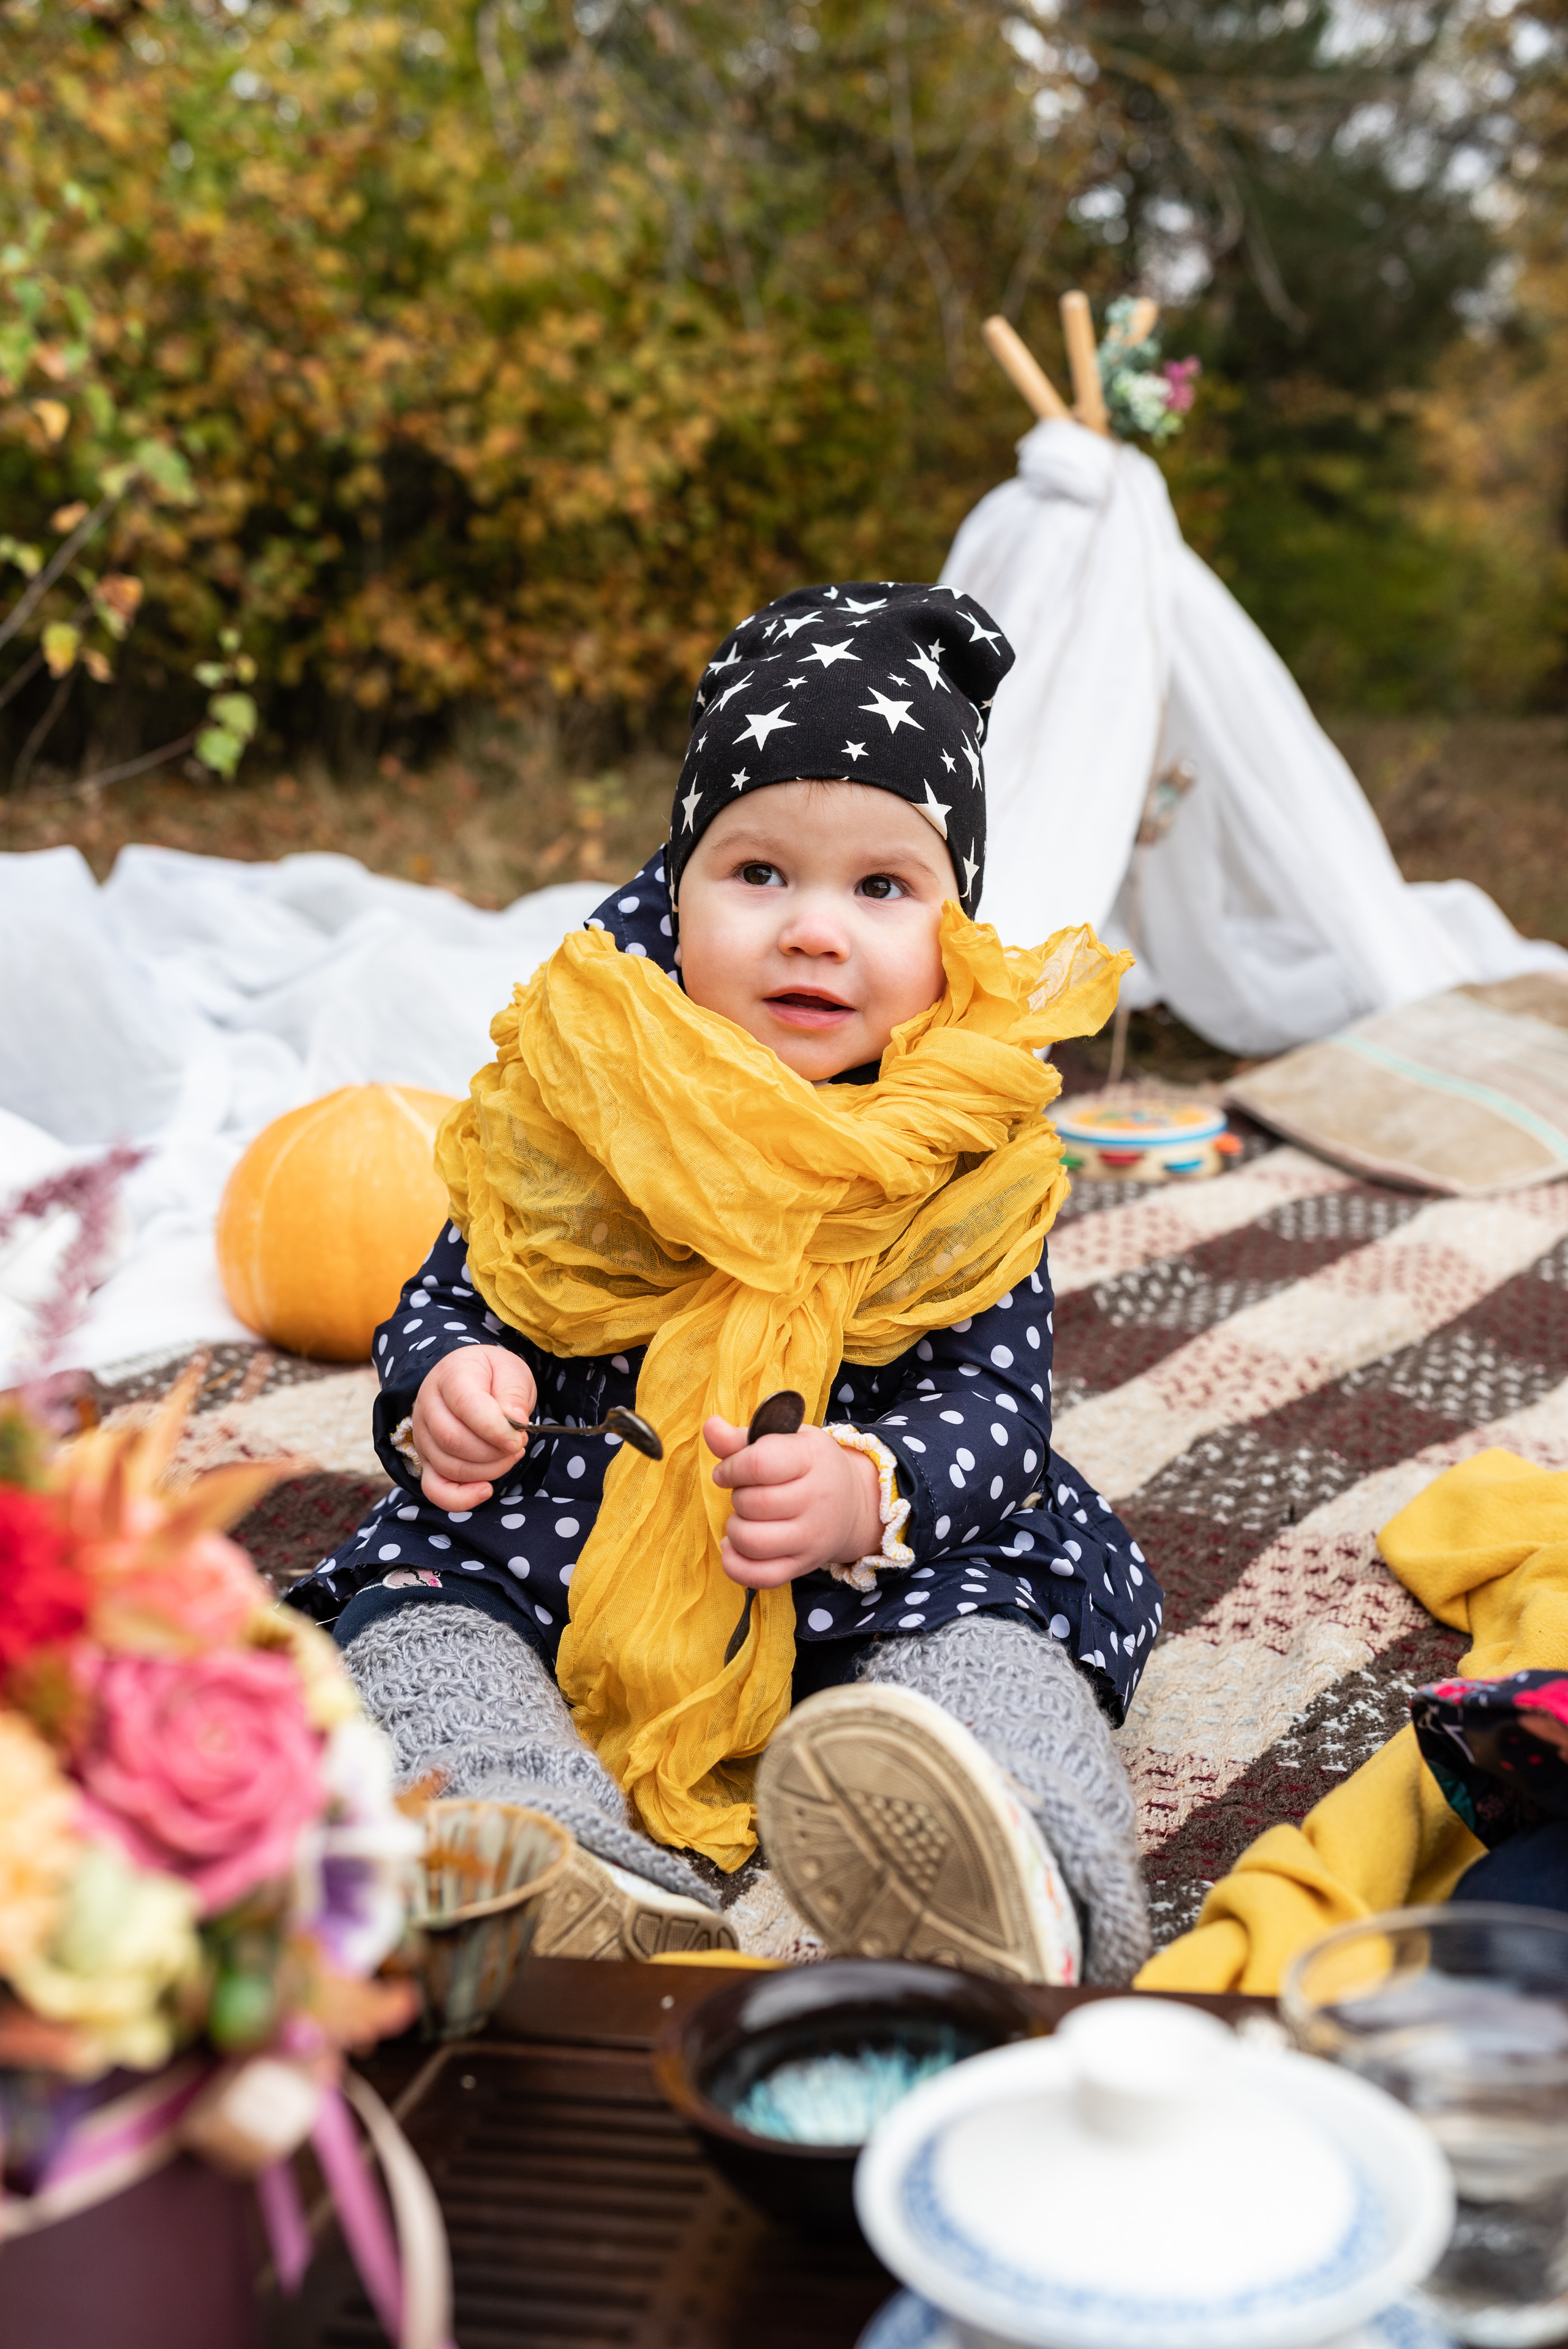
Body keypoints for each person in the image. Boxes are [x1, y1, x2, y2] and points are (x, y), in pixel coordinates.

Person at [287, 582, 1161, 1984]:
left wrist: (873, 1486)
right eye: (757, 875)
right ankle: (536, 1840)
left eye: (881, 888)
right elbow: (453, 1290)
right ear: (674, 893)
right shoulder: (584, 1093)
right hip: (566, 1533)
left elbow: (994, 1401)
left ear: (953, 925)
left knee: (996, 1635)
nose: (814, 931)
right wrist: (449, 1381)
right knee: (416, 1622)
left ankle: (1018, 1853)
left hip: (872, 1569)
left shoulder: (965, 1138)